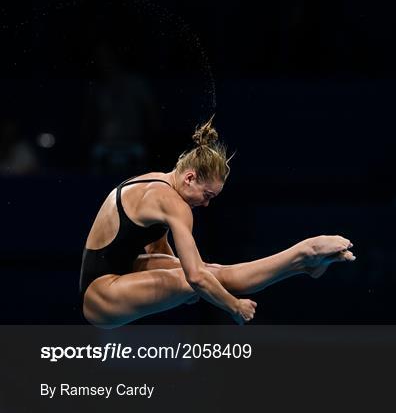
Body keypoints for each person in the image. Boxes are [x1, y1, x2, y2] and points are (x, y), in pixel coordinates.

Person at [80, 115, 356, 328]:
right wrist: (233, 306)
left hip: (120, 274)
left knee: (212, 273)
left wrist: (182, 282)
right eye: (207, 194)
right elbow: (195, 278)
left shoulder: (157, 184)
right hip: (101, 297)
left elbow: (156, 249)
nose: (207, 203)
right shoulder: (174, 204)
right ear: (190, 178)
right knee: (204, 278)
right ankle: (302, 253)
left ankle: (302, 265)